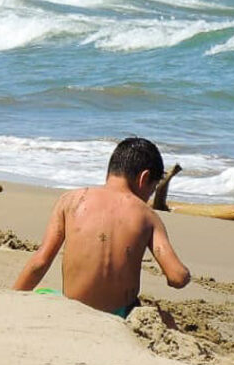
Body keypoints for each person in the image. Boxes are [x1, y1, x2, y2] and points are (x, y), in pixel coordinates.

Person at [13, 136, 190, 317]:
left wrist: (10, 299)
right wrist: (185, 274)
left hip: (73, 309)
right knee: (165, 318)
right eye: (152, 190)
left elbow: (39, 263)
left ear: (111, 170)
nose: (149, 198)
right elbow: (177, 277)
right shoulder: (147, 216)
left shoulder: (70, 201)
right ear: (144, 178)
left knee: (44, 294)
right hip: (119, 315)